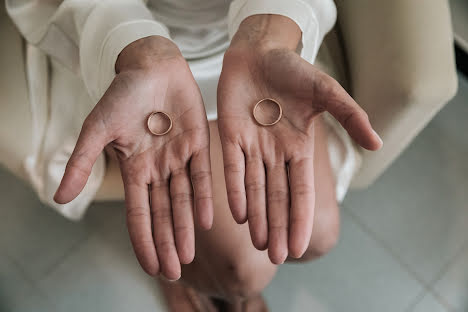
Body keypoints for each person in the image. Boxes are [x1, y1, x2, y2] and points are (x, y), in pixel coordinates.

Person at [6, 0, 382, 310]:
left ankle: (215, 275)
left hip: (254, 40)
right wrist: (134, 48)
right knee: (243, 269)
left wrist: (268, 32)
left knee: (317, 236)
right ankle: (202, 280)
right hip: (124, 38)